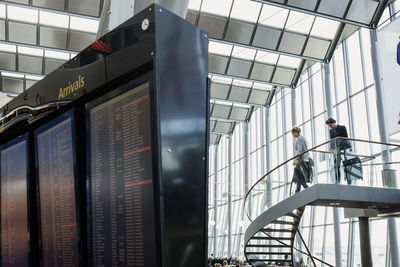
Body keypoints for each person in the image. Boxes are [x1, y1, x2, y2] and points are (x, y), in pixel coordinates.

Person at [325, 118, 351, 184]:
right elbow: (332, 140)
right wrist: (331, 148)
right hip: (337, 150)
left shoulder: (342, 127)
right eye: (329, 126)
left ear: (334, 122)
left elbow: (346, 138)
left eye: (331, 125)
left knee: (346, 164)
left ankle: (348, 180)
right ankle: (337, 181)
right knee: (336, 165)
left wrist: (338, 140)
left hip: (344, 147)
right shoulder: (331, 131)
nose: (330, 127)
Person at [291, 126, 310, 193]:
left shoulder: (299, 138)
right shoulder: (303, 138)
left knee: (298, 173)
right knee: (297, 173)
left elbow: (299, 150)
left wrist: (296, 159)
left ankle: (305, 187)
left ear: (296, 132)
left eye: (293, 133)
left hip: (301, 159)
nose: (293, 135)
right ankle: (297, 189)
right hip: (305, 158)